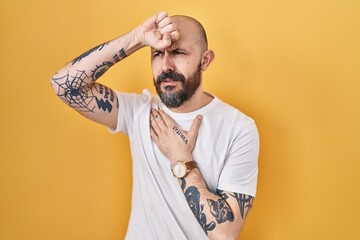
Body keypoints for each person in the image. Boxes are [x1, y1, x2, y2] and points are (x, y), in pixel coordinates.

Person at [51, 11, 259, 240]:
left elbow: (226, 234)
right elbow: (64, 85)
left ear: (205, 60)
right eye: (157, 53)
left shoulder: (239, 128)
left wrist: (181, 160)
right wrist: (137, 38)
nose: (166, 65)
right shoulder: (138, 111)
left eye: (178, 52)